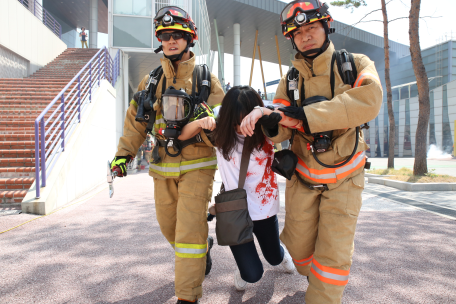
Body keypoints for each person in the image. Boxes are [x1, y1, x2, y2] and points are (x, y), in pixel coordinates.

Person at [240, 1, 382, 303]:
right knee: (301, 252)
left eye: (312, 28)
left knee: (332, 257)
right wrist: (269, 122)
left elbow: (370, 99)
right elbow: (282, 128)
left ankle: (322, 296)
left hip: (345, 180)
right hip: (303, 179)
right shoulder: (289, 80)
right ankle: (311, 275)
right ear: (291, 37)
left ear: (326, 26)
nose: (305, 36)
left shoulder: (354, 64)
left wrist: (304, 115)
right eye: (298, 31)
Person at [110, 6, 224, 304]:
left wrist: (209, 125)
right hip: (162, 169)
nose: (171, 41)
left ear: (190, 38)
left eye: (177, 35)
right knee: (169, 229)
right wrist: (123, 156)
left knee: (188, 234)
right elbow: (135, 123)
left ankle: (188, 296)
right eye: (165, 36)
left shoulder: (206, 80)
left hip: (198, 168)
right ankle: (203, 249)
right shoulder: (151, 80)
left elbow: (224, 125)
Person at [178, 86, 302, 291]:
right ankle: (244, 269)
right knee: (252, 275)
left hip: (265, 211)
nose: (240, 127)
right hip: (235, 211)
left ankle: (280, 254)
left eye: (245, 120)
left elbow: (294, 121)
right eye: (235, 121)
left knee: (273, 257)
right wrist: (201, 122)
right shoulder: (220, 134)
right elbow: (182, 135)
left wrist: (262, 113)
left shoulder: (268, 129)